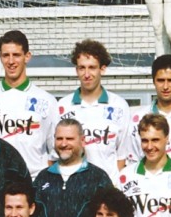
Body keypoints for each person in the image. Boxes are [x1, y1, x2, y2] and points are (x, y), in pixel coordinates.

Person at [56, 40, 133, 183]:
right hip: (74, 186)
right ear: (76, 70)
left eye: (92, 67)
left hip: (107, 187)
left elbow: (121, 156)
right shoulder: (62, 106)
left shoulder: (119, 106)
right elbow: (55, 154)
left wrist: (112, 186)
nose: (87, 74)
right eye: (82, 68)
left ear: (102, 69)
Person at [32, 118, 113, 217]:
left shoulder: (98, 177)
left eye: (69, 139)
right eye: (59, 139)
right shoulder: (43, 177)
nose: (64, 144)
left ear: (82, 140)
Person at [0, 30, 58, 176]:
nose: (11, 61)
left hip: (34, 180)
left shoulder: (47, 101)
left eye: (16, 55)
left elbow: (55, 151)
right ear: (0, 57)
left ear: (27, 56)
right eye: (6, 55)